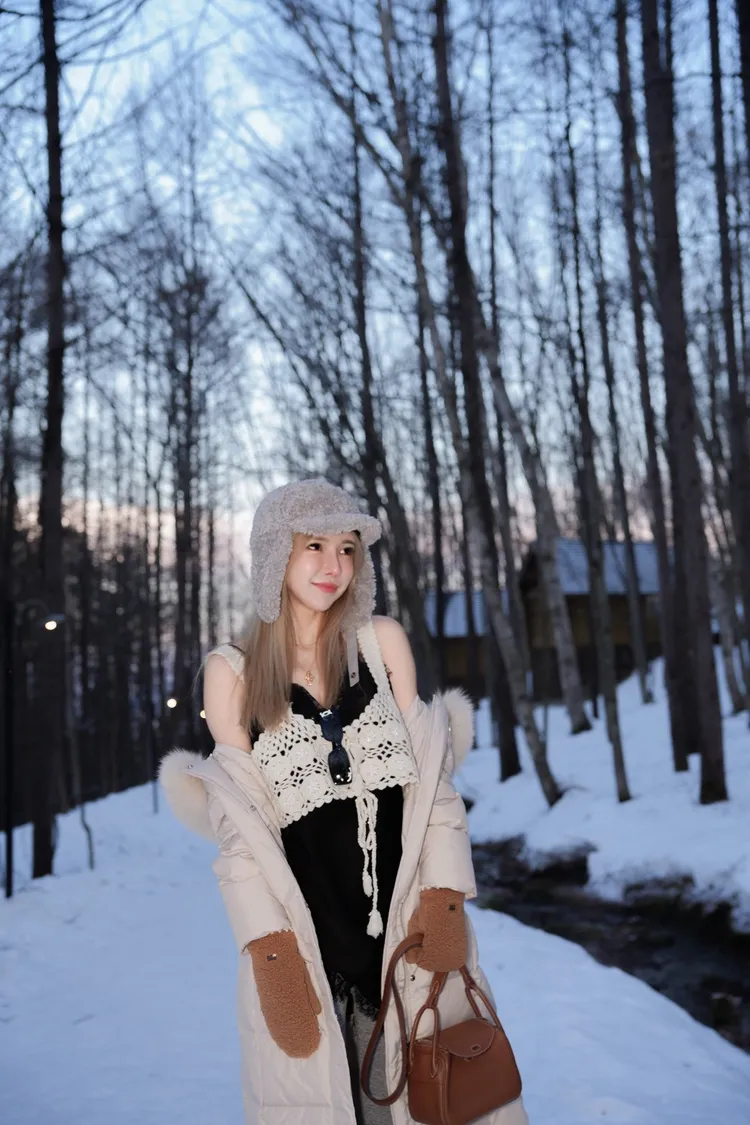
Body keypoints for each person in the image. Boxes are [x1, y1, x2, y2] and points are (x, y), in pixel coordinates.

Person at [160, 477, 529, 1125]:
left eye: (348, 548)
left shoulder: (381, 644)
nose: (335, 565)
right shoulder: (233, 673)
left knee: (435, 1101)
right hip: (312, 957)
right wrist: (271, 953)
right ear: (275, 555)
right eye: (315, 546)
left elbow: (433, 786)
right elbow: (240, 835)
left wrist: (445, 898)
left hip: (410, 947)